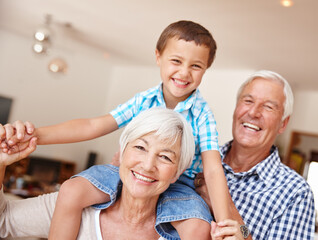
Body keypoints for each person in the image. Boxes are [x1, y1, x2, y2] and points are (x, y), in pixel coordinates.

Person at [0, 20, 231, 239]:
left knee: (198, 229)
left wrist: (223, 224)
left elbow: (212, 170)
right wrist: (33, 137)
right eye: (176, 61)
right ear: (158, 56)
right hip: (127, 174)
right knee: (71, 190)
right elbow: (93, 126)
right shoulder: (144, 100)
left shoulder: (202, 114)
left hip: (180, 185)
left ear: (206, 69)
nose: (184, 73)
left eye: (196, 66)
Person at [0, 108, 197, 240]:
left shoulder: (184, 231)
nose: (147, 165)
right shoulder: (75, 204)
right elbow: (3, 222)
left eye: (165, 157)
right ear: (121, 153)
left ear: (176, 174)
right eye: (140, 147)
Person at [195, 70, 315, 239]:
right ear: (236, 108)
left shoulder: (295, 192)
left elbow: (243, 231)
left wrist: (225, 203)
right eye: (248, 101)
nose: (253, 112)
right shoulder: (197, 158)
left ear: (283, 123)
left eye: (268, 107)